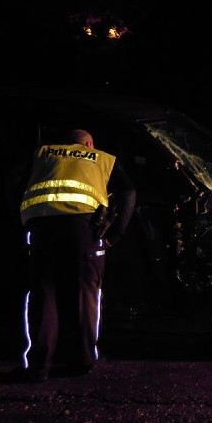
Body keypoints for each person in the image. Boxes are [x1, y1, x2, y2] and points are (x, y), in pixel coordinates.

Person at [17, 129, 136, 381]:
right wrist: (114, 233)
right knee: (84, 295)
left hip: (42, 228)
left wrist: (23, 219)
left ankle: (39, 366)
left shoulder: (42, 154)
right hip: (83, 229)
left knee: (43, 295)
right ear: (88, 144)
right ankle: (81, 361)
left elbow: (12, 181)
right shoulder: (102, 158)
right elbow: (128, 192)